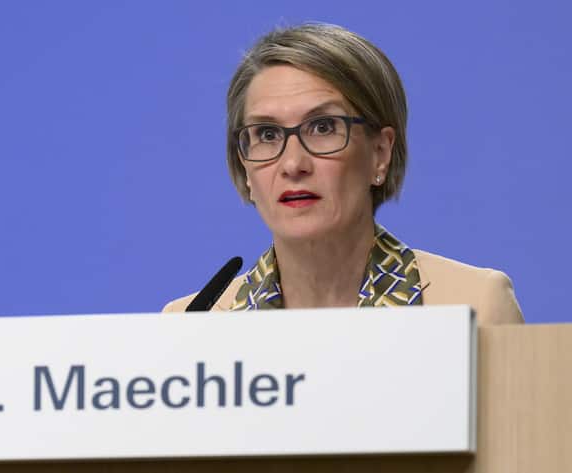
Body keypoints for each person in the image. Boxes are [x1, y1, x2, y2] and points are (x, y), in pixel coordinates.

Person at [163, 23, 523, 324]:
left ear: (380, 153)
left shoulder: (473, 306)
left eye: (322, 127)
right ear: (244, 168)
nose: (293, 165)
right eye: (267, 135)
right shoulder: (192, 323)